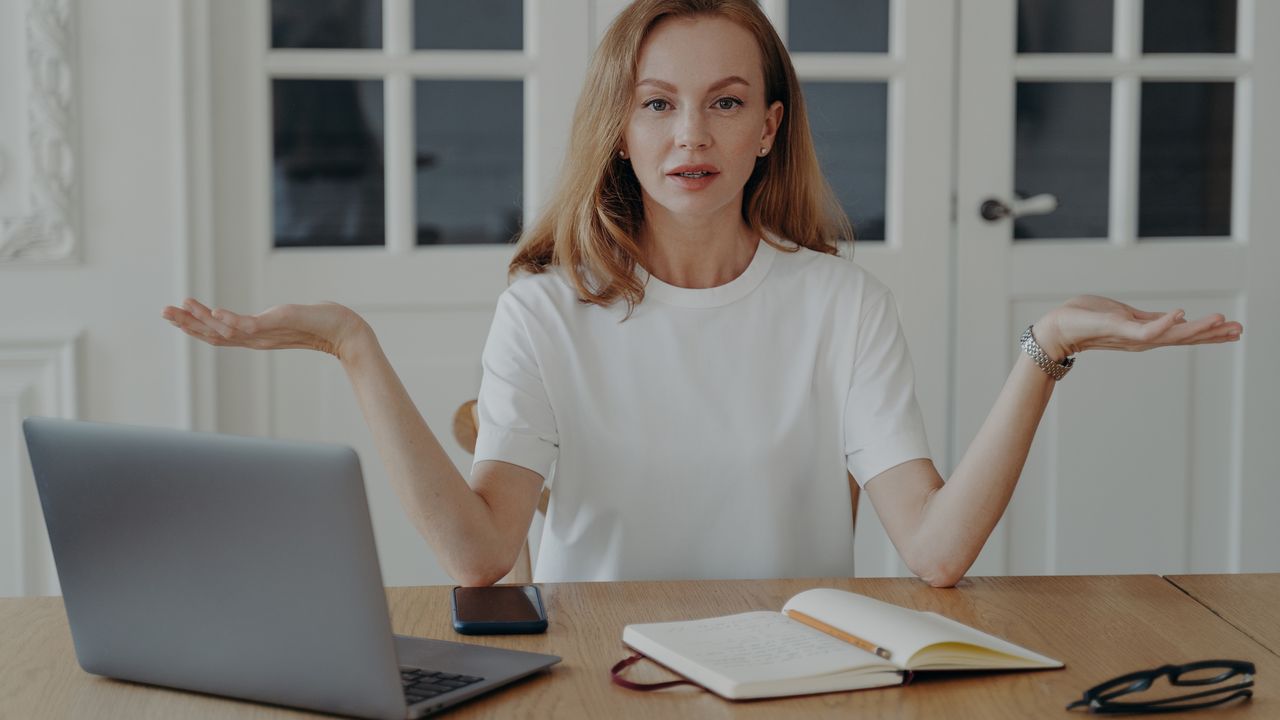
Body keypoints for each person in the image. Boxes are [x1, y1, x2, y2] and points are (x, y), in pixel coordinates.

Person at [164, 0, 1242, 587]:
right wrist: (352, 345)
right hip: (598, 684)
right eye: (658, 105)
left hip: (799, 687)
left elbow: (936, 552)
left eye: (726, 103)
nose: (691, 136)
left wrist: (1045, 347)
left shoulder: (838, 305)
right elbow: (482, 554)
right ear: (620, 131)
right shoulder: (544, 309)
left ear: (767, 129)